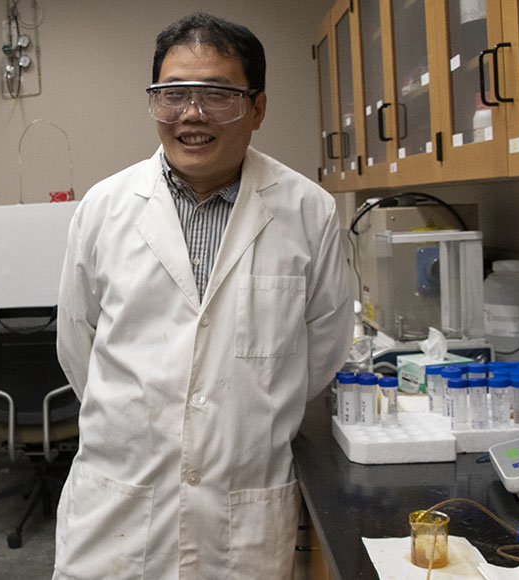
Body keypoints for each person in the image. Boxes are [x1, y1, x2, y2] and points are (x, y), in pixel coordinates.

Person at [53, 13, 352, 579]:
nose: (191, 115)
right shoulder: (103, 209)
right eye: (172, 95)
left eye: (216, 95)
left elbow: (324, 350)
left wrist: (234, 416)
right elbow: (78, 345)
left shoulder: (307, 210)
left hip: (242, 511)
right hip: (119, 507)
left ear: (257, 108)